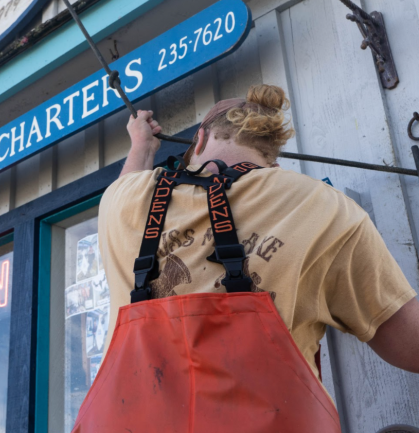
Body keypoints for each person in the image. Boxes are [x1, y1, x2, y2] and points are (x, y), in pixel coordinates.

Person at [73, 84, 419, 432]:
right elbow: (410, 345)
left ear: (200, 140)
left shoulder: (119, 202)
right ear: (273, 162)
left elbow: (130, 179)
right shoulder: (321, 206)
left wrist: (142, 144)